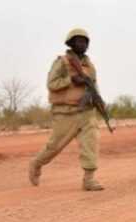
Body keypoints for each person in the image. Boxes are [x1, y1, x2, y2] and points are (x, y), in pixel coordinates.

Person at [28, 28, 104, 191]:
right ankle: (36, 163)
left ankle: (89, 179)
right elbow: (51, 84)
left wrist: (98, 101)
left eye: (85, 41)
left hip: (86, 112)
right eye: (78, 41)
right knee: (54, 146)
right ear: (71, 43)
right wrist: (70, 80)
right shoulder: (62, 62)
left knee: (91, 144)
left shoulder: (89, 65)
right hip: (65, 113)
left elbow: (93, 85)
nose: (82, 44)